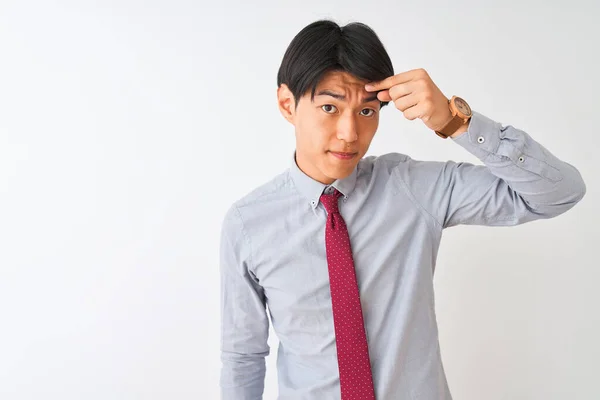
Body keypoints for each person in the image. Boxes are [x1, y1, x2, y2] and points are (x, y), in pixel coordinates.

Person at [218, 19, 586, 400]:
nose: (349, 133)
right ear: (287, 104)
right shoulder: (248, 224)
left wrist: (455, 120)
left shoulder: (413, 189)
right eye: (330, 107)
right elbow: (243, 358)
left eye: (367, 111)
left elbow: (559, 192)